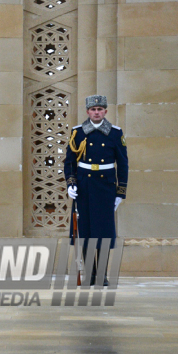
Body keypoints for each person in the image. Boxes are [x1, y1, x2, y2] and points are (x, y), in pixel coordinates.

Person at [64, 95, 128, 286]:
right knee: (85, 231)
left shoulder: (115, 133)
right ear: (88, 112)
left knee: (104, 231)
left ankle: (101, 275)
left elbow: (123, 164)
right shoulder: (78, 133)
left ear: (105, 112)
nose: (97, 112)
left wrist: (120, 192)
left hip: (105, 187)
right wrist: (71, 184)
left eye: (100, 109)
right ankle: (89, 275)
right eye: (93, 109)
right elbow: (69, 162)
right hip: (84, 187)